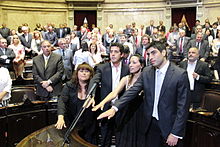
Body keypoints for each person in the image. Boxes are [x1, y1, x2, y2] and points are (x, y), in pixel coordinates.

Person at [97, 42, 190, 147]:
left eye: (154, 53)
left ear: (164, 52)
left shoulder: (180, 74)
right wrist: (115, 108)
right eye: (148, 54)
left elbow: (183, 107)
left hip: (169, 127)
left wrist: (176, 133)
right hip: (149, 125)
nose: (150, 57)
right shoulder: (147, 72)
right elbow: (132, 92)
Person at [92, 54, 145, 147]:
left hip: (139, 116)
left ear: (142, 65)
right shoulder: (126, 79)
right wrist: (102, 102)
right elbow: (114, 93)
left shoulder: (146, 80)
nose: (131, 65)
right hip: (124, 114)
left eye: (134, 62)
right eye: (130, 63)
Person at [87, 42, 129, 147]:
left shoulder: (127, 69)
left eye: (116, 52)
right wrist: (91, 95)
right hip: (106, 107)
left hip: (121, 108)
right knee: (105, 137)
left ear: (122, 54)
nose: (113, 54)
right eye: (111, 52)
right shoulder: (102, 68)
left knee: (121, 138)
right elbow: (94, 81)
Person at [55, 63, 97, 144]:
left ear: (91, 74)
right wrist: (60, 117)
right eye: (81, 71)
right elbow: (62, 101)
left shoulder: (94, 88)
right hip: (73, 124)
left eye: (87, 71)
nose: (84, 73)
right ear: (77, 73)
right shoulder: (69, 86)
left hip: (89, 126)